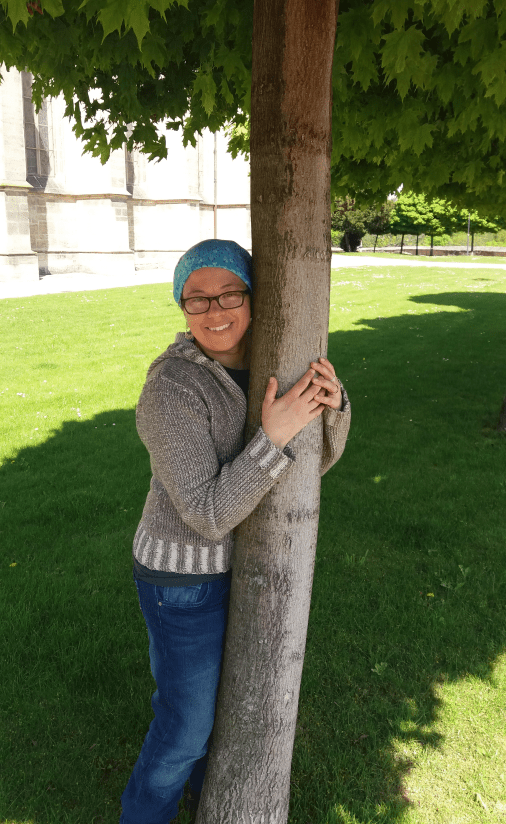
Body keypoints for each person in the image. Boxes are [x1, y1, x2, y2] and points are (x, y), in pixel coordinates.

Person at [120, 239, 351, 824]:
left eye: (228, 293)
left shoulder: (270, 361)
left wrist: (333, 404)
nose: (214, 310)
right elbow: (207, 514)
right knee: (183, 733)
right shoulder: (171, 388)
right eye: (195, 299)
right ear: (181, 307)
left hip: (243, 566)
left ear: (252, 298)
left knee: (214, 719)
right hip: (181, 578)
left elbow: (314, 464)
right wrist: (274, 436)